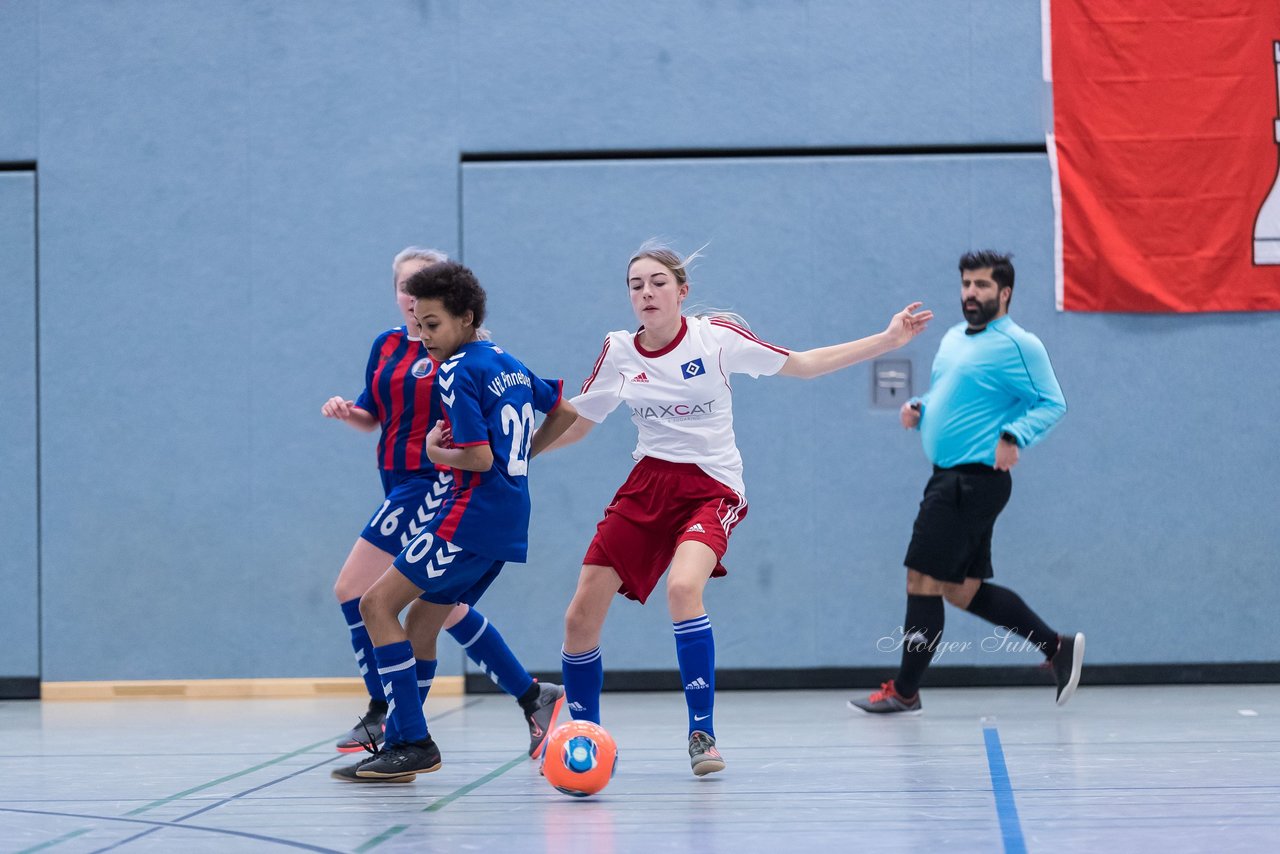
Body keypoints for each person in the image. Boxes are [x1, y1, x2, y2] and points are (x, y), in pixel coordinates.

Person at [543, 242, 933, 776]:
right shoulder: (618, 351)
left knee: (684, 587)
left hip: (712, 487)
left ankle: (702, 734)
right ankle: (578, 737)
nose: (646, 293)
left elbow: (803, 364)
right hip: (648, 483)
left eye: (658, 282)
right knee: (579, 614)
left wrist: (888, 340)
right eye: (636, 285)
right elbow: (580, 422)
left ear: (682, 292)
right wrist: (511, 454)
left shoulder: (715, 339)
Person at [332, 260, 579, 783]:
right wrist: (527, 457)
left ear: (466, 318)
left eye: (434, 325)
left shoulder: (458, 369)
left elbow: (479, 458)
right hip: (506, 520)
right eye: (418, 325)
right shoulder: (503, 358)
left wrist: (434, 453)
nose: (423, 337)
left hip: (466, 516)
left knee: (374, 603)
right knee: (424, 619)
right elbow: (563, 408)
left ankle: (410, 740)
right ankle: (408, 733)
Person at [849, 250, 1082, 716]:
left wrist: (1016, 435)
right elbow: (949, 393)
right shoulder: (955, 337)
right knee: (960, 589)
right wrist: (921, 407)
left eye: (981, 286)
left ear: (1005, 292)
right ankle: (1057, 648)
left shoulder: (1020, 343)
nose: (971, 294)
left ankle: (905, 691)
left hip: (971, 484)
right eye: (966, 285)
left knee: (922, 579)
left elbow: (1052, 403)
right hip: (950, 478)